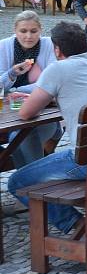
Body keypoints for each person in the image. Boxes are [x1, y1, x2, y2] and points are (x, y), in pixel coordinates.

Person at [8, 22, 87, 237]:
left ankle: (75, 224)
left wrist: (41, 96)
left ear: (57, 49)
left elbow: (25, 113)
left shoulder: (58, 69)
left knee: (17, 181)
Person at [0, 11, 61, 171]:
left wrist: (16, 90)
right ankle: (31, 183)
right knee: (16, 138)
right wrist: (12, 73)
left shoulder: (49, 45)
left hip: (44, 115)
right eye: (23, 31)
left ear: (40, 30)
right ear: (15, 30)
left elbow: (50, 83)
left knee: (18, 138)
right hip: (9, 113)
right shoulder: (4, 46)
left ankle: (33, 184)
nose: (29, 36)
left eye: (33, 31)